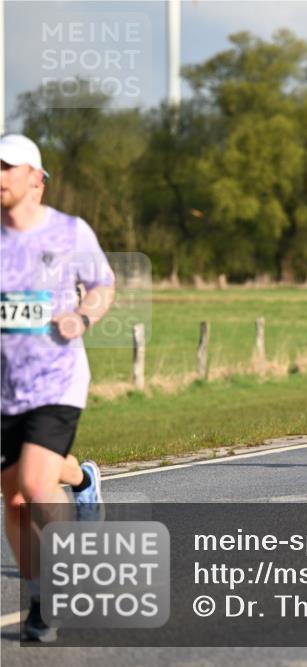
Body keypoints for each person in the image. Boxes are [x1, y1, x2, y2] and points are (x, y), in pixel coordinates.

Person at [1, 133, 115, 641]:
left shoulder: (69, 232)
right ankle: (41, 594)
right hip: (5, 386)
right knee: (13, 499)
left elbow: (102, 284)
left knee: (34, 484)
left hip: (57, 380)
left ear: (36, 179)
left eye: (8, 167)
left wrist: (83, 316)